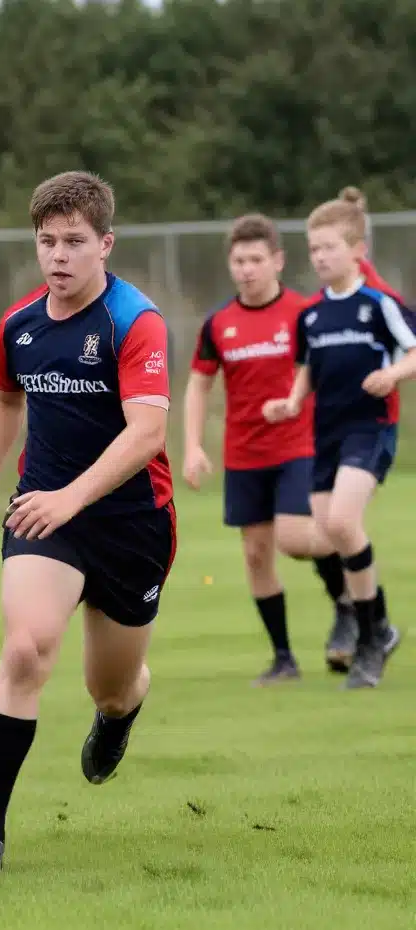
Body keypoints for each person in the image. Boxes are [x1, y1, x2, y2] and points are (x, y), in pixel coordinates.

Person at [0, 171, 176, 877]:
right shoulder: (21, 325)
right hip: (45, 512)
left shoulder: (135, 321)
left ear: (105, 243)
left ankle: (119, 714)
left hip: (133, 524)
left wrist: (75, 496)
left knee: (111, 683)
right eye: (47, 241)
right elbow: (1, 399)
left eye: (75, 241)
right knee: (25, 651)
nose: (59, 256)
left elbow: (148, 434)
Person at [182, 214, 353, 684]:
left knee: (296, 539)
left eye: (256, 259)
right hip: (244, 454)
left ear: (277, 261)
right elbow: (198, 385)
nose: (247, 269)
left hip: (301, 446)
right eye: (239, 260)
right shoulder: (219, 323)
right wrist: (193, 446)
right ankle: (284, 659)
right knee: (257, 557)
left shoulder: (303, 313)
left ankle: (349, 599)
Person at [263, 195, 416, 688]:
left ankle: (372, 637)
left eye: (329, 247)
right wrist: (290, 402)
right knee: (331, 531)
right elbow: (307, 369)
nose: (320, 257)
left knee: (344, 521)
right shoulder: (310, 316)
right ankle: (381, 628)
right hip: (324, 435)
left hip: (370, 429)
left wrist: (392, 374)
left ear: (357, 251)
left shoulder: (378, 306)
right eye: (314, 249)